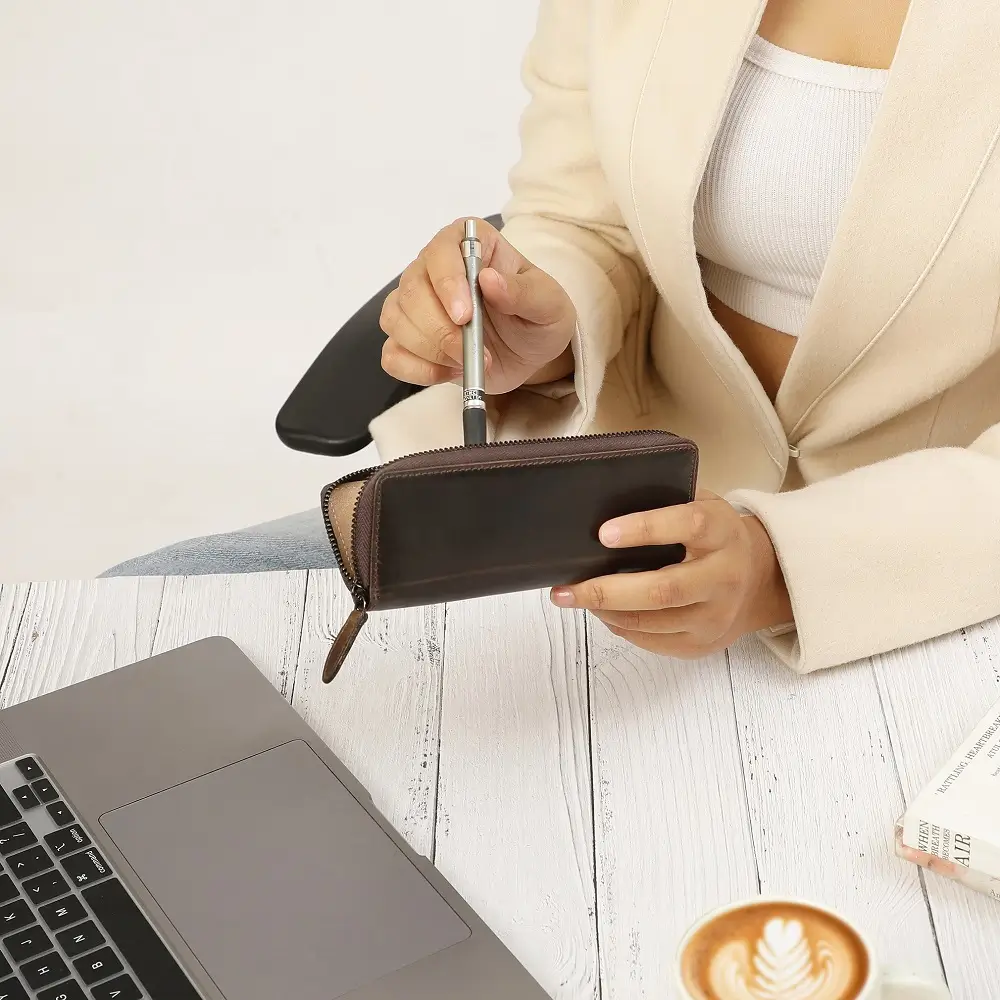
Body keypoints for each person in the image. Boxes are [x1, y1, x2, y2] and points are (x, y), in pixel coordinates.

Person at [106, 0, 1000, 675]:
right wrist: (540, 317)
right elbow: (586, 215)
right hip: (587, 506)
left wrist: (779, 564)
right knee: (123, 623)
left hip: (921, 576)